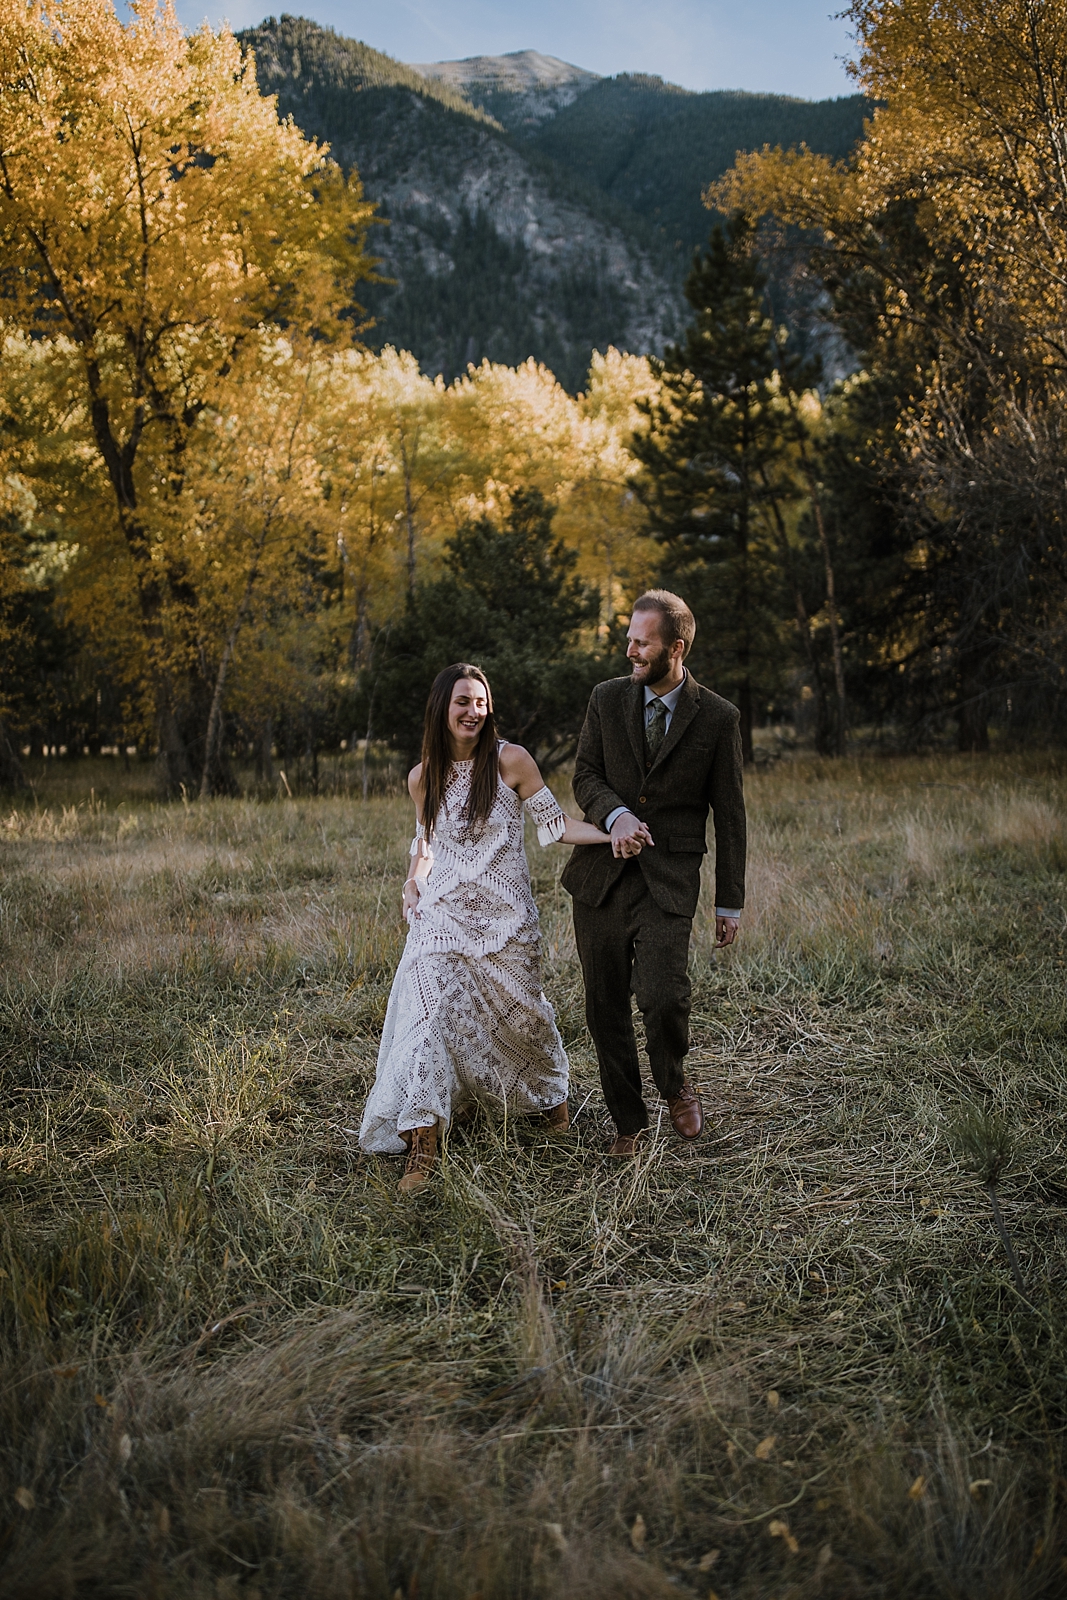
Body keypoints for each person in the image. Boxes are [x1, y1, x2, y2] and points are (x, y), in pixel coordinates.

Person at [359, 661, 614, 1193]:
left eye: (480, 701)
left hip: (507, 922)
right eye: (462, 702)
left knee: (522, 1017)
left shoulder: (510, 761)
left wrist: (614, 835)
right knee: (429, 1016)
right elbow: (425, 843)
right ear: (441, 708)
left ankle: (550, 1098)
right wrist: (412, 884)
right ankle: (423, 1145)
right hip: (442, 919)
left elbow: (555, 825)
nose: (473, 711)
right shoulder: (421, 776)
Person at [560, 590, 746, 1157]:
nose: (630, 650)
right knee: (604, 1004)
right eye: (629, 638)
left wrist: (729, 901)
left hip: (670, 878)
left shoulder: (718, 718)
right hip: (600, 879)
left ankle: (674, 1081)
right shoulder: (605, 699)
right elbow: (586, 773)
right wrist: (615, 816)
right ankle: (629, 1124)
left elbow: (730, 814)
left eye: (642, 642)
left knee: (664, 995)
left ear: (676, 647)